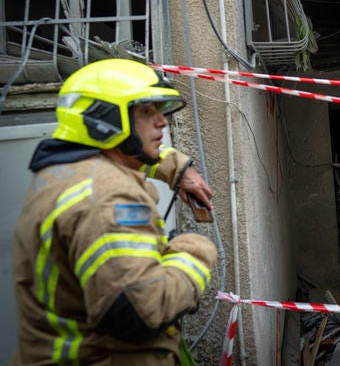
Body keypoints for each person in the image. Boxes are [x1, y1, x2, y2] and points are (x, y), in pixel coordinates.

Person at [11, 58, 218, 365]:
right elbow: (138, 314)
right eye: (146, 111)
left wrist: (177, 167)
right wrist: (194, 252)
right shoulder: (107, 196)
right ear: (106, 120)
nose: (162, 122)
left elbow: (126, 153)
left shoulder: (66, 170)